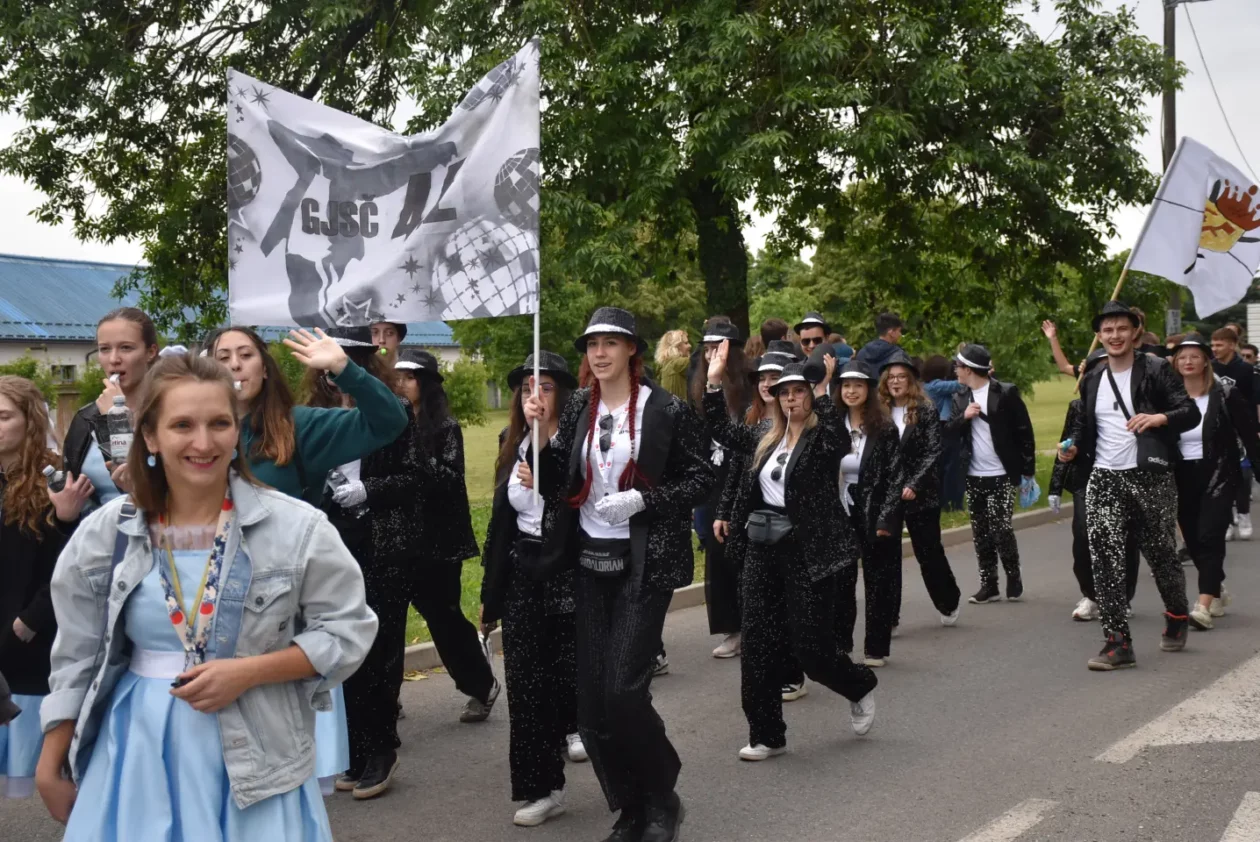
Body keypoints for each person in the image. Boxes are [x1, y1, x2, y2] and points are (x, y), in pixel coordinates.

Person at [36, 353, 377, 840]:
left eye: (220, 423)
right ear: (150, 436)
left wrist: (248, 672)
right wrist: (52, 759)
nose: (203, 442)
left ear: (237, 431)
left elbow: (348, 630)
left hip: (257, 754)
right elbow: (78, 652)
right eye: (181, 425)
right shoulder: (106, 534)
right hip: (138, 748)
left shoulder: (297, 528)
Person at [529, 306, 714, 842]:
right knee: (591, 705)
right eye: (592, 344)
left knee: (622, 691)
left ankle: (662, 797)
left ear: (633, 349)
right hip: (588, 563)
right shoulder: (582, 404)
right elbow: (560, 483)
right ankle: (630, 806)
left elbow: (703, 478)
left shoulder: (666, 409)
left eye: (611, 342)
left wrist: (643, 499)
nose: (600, 353)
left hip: (643, 564)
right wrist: (542, 435)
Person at [212, 325, 406, 793]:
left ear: (264, 365)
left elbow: (388, 422)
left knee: (281, 760)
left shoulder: (297, 426)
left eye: (245, 354)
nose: (235, 364)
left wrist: (345, 369)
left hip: (279, 611)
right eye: (222, 356)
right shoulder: (192, 432)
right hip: (211, 607)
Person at [706, 355, 877, 760]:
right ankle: (766, 734)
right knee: (759, 644)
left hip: (807, 549)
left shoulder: (822, 437)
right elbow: (722, 432)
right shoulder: (765, 433)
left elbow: (838, 438)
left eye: (798, 390)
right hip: (762, 546)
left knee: (810, 648)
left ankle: (859, 685)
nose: (791, 398)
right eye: (785, 392)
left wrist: (822, 391)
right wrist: (714, 384)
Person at [303, 326, 412, 800]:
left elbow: (417, 478)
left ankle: (381, 749)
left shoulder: (394, 411)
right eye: (328, 362)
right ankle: (353, 747)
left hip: (382, 539)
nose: (334, 371)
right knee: (339, 646)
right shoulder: (313, 416)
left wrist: (371, 490)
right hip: (330, 540)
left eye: (346, 360)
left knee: (380, 646)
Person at [1061, 301, 1200, 670]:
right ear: (1100, 335)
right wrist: (1072, 448)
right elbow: (1085, 427)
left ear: (1135, 331)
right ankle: (1117, 642)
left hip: (1149, 474)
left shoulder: (1155, 369)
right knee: (1104, 557)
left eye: (1122, 328)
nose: (1115, 336)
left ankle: (1176, 613)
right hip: (1104, 476)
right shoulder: (1092, 375)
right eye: (1107, 330)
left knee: (1160, 554)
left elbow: (1190, 412)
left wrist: (1158, 417)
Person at [480, 351, 581, 827]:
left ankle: (578, 729)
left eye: (543, 388)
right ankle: (542, 786)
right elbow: (501, 524)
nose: (532, 399)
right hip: (523, 569)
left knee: (572, 677)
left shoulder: (579, 441)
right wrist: (490, 590)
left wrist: (550, 482)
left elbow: (589, 508)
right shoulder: (510, 443)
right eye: (525, 389)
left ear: (560, 394)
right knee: (526, 685)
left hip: (570, 572)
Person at [393, 349, 499, 724]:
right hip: (396, 536)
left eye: (408, 377)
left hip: (439, 540)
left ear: (426, 384)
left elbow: (450, 479)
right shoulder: (390, 422)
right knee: (387, 621)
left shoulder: (445, 427)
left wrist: (417, 454)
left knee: (444, 618)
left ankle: (480, 685)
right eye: (397, 377)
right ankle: (385, 700)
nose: (400, 384)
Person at [708, 341, 806, 698]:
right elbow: (736, 467)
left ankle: (797, 669)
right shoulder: (751, 418)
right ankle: (771, 679)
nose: (767, 384)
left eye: (775, 377)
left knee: (791, 608)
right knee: (759, 607)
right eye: (762, 377)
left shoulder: (811, 425)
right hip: (756, 526)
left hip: (797, 531)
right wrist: (723, 512)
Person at [0, 378, 79, 798]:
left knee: (43, 777)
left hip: (30, 640)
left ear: (29, 421)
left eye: (3, 416)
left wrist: (31, 619)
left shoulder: (56, 478)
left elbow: (72, 563)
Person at [1169, 334, 1260, 630]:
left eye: (1194, 356)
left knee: (1210, 536)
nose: (1188, 361)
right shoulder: (1168, 399)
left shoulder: (1225, 396)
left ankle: (1203, 605)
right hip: (1181, 475)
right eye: (1182, 356)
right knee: (1193, 542)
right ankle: (1217, 588)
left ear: (1206, 361)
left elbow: (1250, 435)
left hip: (1219, 473)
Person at [1048, 350, 1142, 621]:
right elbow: (1067, 443)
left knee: (1124, 538)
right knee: (1083, 536)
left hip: (1125, 475)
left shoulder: (1134, 399)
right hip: (1086, 480)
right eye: (1098, 370)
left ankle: (1122, 597)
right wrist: (1056, 486)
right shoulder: (1078, 406)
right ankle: (1091, 594)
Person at [878, 350, 963, 629]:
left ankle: (948, 600)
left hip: (921, 492)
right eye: (891, 377)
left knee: (928, 551)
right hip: (888, 494)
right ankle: (888, 615)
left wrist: (914, 483)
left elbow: (933, 451)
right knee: (887, 556)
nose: (896, 382)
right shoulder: (878, 411)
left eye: (902, 377)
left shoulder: (925, 409)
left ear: (911, 380)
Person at [947, 344, 1036, 604]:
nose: (955, 371)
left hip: (1001, 473)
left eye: (958, 367)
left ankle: (1013, 575)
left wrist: (1027, 472)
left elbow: (1024, 431)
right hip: (973, 475)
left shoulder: (1005, 392)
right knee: (981, 531)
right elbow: (950, 433)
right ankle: (989, 585)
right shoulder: (959, 397)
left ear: (970, 369)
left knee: (1001, 529)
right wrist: (963, 417)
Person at [833, 359, 903, 667]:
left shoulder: (884, 428)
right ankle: (840, 645)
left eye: (858, 385)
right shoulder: (831, 425)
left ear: (869, 390)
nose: (851, 391)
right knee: (841, 580)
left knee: (878, 580)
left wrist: (886, 517)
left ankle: (876, 648)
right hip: (841, 507)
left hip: (875, 509)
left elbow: (895, 475)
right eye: (846, 385)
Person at [689, 321, 751, 659]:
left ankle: (759, 623)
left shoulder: (751, 388)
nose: (714, 354)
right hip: (713, 481)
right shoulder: (700, 388)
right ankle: (733, 629)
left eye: (721, 347)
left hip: (745, 476)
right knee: (718, 552)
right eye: (708, 348)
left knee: (747, 553)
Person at [63, 308, 160, 511]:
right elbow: (70, 490)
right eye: (104, 349)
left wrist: (114, 420)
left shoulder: (167, 413)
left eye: (126, 348)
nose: (114, 359)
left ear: (150, 352)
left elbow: (134, 483)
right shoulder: (86, 418)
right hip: (97, 535)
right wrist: (64, 517)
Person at [1210, 326, 1256, 539]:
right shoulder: (1209, 368)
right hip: (1218, 430)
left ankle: (1244, 513)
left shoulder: (1246, 370)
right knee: (1221, 476)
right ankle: (1227, 519)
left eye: (1219, 345)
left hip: (1242, 430)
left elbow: (1255, 402)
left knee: (1244, 475)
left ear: (1231, 344)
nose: (1215, 349)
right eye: (1213, 345)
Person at [923, 355, 966, 511]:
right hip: (944, 429)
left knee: (942, 466)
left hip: (934, 429)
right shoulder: (936, 386)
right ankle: (950, 503)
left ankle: (944, 501)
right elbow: (961, 385)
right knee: (950, 467)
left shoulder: (926, 386)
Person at [654, 330, 691, 401]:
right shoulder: (679, 363)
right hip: (678, 409)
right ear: (677, 346)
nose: (690, 345)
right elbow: (699, 361)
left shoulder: (664, 365)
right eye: (686, 343)